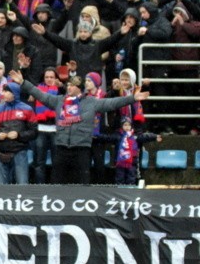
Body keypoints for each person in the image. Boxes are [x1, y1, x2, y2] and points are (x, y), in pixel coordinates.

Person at [10, 70, 150, 184]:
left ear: (79, 88)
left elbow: (112, 103)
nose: (69, 87)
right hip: (61, 147)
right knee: (57, 182)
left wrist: (133, 98)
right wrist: (23, 83)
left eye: (72, 85)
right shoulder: (59, 100)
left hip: (82, 149)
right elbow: (40, 95)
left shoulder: (91, 102)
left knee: (82, 182)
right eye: (68, 85)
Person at [0, 81, 37, 185]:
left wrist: (19, 135)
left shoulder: (27, 109)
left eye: (6, 91)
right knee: (1, 188)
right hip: (1, 152)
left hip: (19, 151)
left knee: (22, 185)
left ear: (14, 93)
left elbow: (34, 132)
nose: (3, 93)